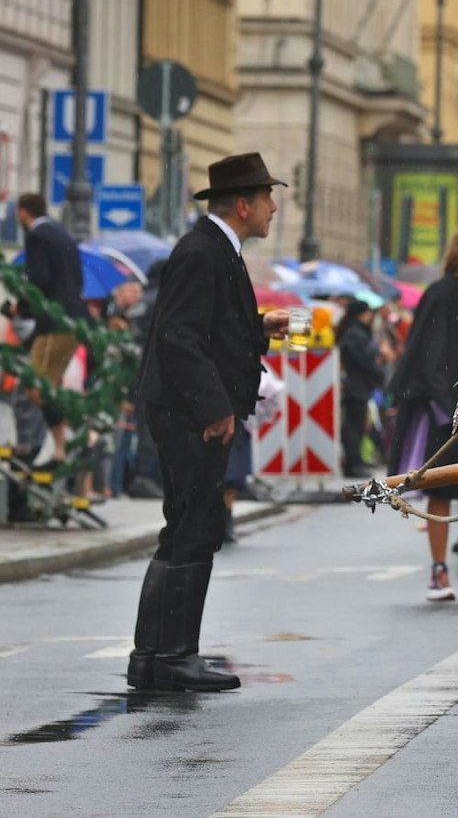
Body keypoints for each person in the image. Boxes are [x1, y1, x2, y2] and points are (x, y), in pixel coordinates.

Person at [127, 153, 291, 692]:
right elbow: (179, 337)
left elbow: (208, 327)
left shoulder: (215, 246)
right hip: (190, 415)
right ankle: (175, 656)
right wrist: (215, 408)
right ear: (243, 205)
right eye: (267, 199)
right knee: (196, 530)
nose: (272, 208)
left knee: (183, 530)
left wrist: (258, 326)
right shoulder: (204, 251)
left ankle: (152, 656)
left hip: (184, 409)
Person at [391, 226, 458, 602]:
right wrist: (449, 407)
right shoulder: (442, 294)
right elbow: (429, 355)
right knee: (443, 488)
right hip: (448, 410)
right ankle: (439, 570)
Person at [18, 192, 87, 461]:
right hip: (72, 320)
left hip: (53, 324)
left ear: (24, 212)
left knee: (37, 385)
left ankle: (62, 445)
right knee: (52, 385)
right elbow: (77, 280)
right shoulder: (64, 235)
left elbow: (39, 280)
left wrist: (23, 307)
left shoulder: (37, 236)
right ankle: (67, 441)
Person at [336, 299, 384, 479]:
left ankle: (355, 462)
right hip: (357, 385)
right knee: (354, 427)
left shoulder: (354, 332)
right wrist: (378, 373)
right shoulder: (356, 334)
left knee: (357, 425)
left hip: (357, 384)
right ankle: (353, 463)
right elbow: (364, 360)